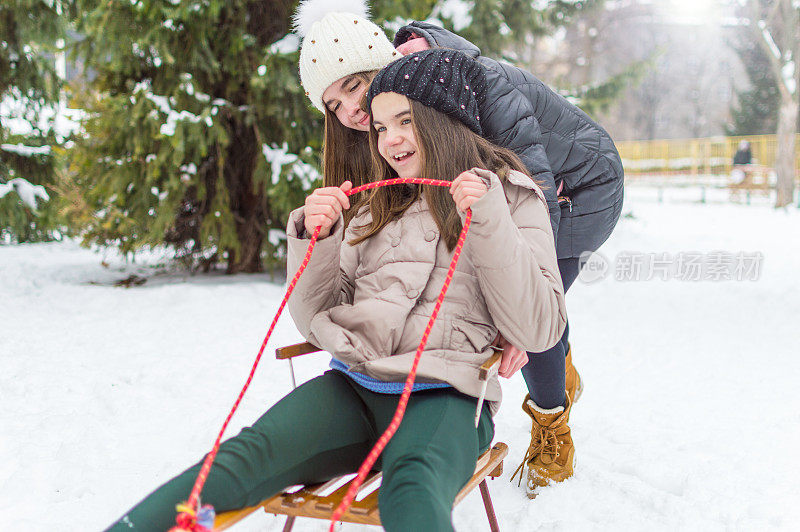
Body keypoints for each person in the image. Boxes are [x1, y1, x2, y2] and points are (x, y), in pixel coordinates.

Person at [105, 49, 566, 532]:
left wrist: (489, 217)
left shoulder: (512, 197)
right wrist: (318, 239)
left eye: (404, 120)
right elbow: (315, 317)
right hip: (353, 388)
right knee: (242, 458)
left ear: (445, 117)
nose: (390, 140)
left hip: (446, 399)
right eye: (381, 128)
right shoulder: (376, 205)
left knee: (412, 487)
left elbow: (538, 329)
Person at [295, 0, 623, 497]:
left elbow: (530, 191)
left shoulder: (473, 82)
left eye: (354, 87)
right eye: (333, 106)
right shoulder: (391, 121)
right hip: (519, 190)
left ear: (380, 65)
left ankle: (552, 426)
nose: (350, 113)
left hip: (580, 190)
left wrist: (522, 324)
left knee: (528, 318)